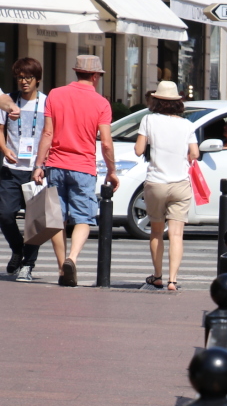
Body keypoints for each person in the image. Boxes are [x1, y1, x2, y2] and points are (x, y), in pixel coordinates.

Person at [32, 55, 118, 287]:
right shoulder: (101, 103)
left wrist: (39, 165)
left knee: (56, 218)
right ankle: (73, 258)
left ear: (76, 72)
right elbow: (106, 143)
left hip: (56, 165)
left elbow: (47, 133)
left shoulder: (55, 95)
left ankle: (62, 268)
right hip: (83, 167)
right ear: (94, 75)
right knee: (83, 217)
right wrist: (112, 170)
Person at [135, 81, 198, 291]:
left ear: (156, 101)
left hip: (156, 183)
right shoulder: (187, 124)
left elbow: (138, 150)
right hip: (180, 183)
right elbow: (195, 154)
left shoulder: (149, 120)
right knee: (177, 234)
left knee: (156, 231)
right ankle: (173, 280)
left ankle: (158, 275)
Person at [1, 58, 46, 281]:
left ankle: (28, 264)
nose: (24, 81)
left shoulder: (47, 103)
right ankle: (18, 249)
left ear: (37, 79)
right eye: (20, 77)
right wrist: (4, 148)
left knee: (33, 221)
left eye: (28, 77)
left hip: (36, 170)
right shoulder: (8, 101)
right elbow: (0, 129)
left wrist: (43, 164)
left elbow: (51, 135)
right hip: (11, 168)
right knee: (5, 215)